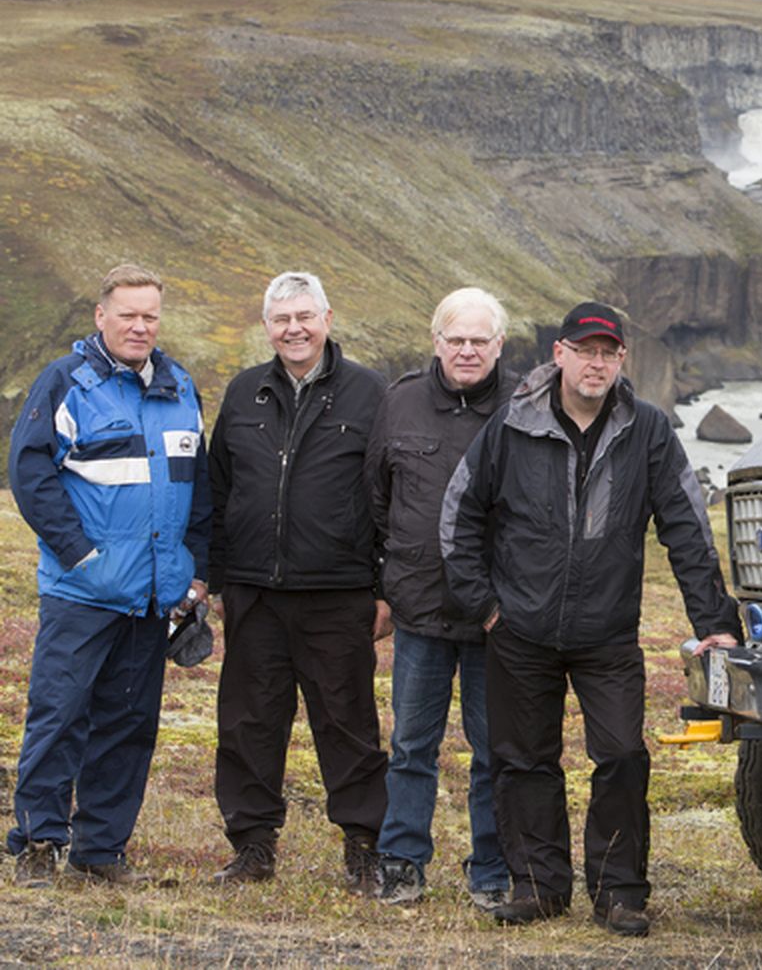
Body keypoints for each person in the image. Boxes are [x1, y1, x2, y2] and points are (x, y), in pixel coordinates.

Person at [440, 301, 741, 936]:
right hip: (519, 631)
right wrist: (487, 609)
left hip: (606, 635)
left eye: (608, 352)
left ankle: (619, 893)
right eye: (585, 351)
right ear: (559, 355)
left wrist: (714, 620)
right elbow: (459, 517)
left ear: (621, 360)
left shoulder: (648, 430)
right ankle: (537, 887)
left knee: (623, 756)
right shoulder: (511, 425)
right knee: (523, 761)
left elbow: (685, 527)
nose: (596, 363)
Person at [6, 264, 210, 887]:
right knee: (59, 715)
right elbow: (29, 471)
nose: (140, 326)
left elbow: (199, 489)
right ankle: (38, 843)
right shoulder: (66, 381)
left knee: (129, 726)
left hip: (151, 597)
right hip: (82, 592)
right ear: (101, 316)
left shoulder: (180, 387)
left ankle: (101, 852)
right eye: (128, 315)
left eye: (150, 315)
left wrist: (194, 571)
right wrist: (77, 553)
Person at [206, 270, 389, 893]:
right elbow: (218, 488)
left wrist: (384, 587)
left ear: (328, 319)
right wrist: (216, 578)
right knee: (249, 724)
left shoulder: (369, 393)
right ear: (267, 327)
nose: (294, 329)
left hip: (337, 593)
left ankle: (363, 846)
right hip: (254, 592)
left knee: (347, 724)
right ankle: (253, 846)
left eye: (305, 317)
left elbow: (389, 495)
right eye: (282, 320)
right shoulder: (243, 392)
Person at [365, 288, 510, 910]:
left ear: (500, 346)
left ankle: (492, 870)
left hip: (497, 619)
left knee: (495, 751)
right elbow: (374, 500)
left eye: (481, 340)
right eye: (457, 339)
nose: (468, 351)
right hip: (418, 610)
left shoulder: (526, 406)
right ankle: (401, 861)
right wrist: (383, 588)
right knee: (410, 747)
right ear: (437, 342)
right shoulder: (398, 401)